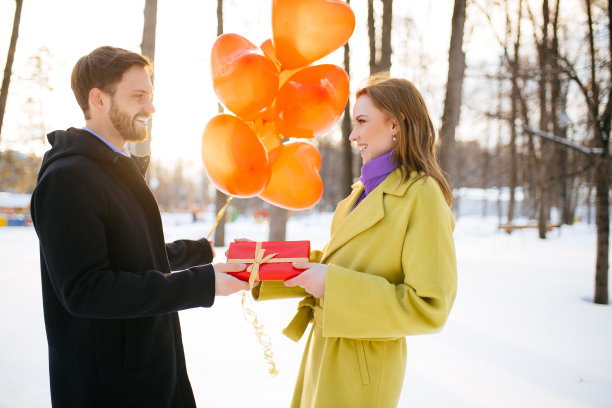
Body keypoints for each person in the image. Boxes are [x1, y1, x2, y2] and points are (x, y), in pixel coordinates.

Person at [30, 46, 249, 408]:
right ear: (98, 99)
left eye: (150, 96)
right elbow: (87, 289)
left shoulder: (115, 169)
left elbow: (128, 257)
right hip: (109, 389)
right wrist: (202, 283)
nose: (150, 108)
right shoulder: (68, 179)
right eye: (138, 97)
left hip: (151, 372)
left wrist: (193, 253)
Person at [252, 75, 457, 407]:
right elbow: (333, 264)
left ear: (396, 124)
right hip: (325, 351)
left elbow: (430, 306)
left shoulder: (423, 196)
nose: (352, 134)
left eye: (362, 121)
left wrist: (333, 285)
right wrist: (258, 263)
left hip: (364, 370)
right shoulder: (358, 193)